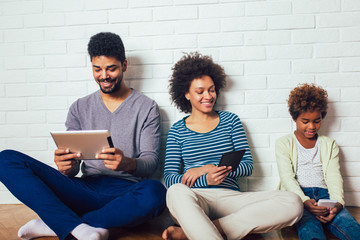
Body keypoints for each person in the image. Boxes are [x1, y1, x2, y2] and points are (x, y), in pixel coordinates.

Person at [0, 32, 166, 240]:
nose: (104, 75)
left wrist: (126, 163)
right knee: (6, 159)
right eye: (97, 69)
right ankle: (82, 226)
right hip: (84, 188)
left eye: (111, 68)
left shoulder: (146, 107)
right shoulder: (79, 107)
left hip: (124, 194)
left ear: (124, 65)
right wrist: (66, 167)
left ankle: (59, 224)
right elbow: (73, 169)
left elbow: (151, 162)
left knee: (156, 192)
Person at [161, 52, 303, 240]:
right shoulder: (178, 130)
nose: (208, 96)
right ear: (186, 94)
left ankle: (193, 233)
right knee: (174, 192)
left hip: (231, 198)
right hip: (194, 199)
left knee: (292, 201)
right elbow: (171, 179)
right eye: (200, 91)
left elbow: (247, 166)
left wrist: (213, 170)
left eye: (211, 90)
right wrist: (206, 178)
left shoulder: (230, 121)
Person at [275, 83, 360, 240]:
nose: (312, 126)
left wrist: (337, 205)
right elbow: (287, 178)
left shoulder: (329, 144)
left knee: (351, 226)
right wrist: (305, 201)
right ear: (294, 118)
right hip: (298, 196)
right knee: (310, 229)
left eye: (317, 120)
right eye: (305, 121)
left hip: (326, 197)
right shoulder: (284, 143)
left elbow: (334, 176)